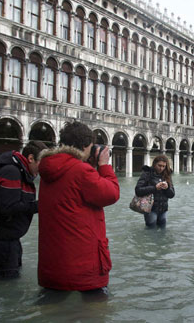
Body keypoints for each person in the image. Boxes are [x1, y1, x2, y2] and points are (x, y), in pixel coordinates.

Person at [37, 121, 119, 297]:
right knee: (94, 310)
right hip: (83, 263)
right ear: (84, 146)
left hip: (53, 263)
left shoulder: (49, 168)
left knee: (52, 308)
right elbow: (111, 194)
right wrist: (104, 165)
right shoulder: (80, 171)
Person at [0, 140, 48, 279]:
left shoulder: (19, 172)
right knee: (5, 289)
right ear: (30, 158)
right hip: (0, 245)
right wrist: (43, 205)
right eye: (43, 161)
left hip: (8, 241)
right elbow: (8, 208)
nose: (45, 166)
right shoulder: (12, 172)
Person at [135, 155, 175, 228]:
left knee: (163, 230)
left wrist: (167, 188)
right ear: (154, 164)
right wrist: (154, 188)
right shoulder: (147, 173)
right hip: (150, 209)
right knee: (151, 231)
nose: (161, 168)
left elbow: (172, 195)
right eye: (159, 165)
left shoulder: (167, 175)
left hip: (163, 209)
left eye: (163, 166)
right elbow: (138, 190)